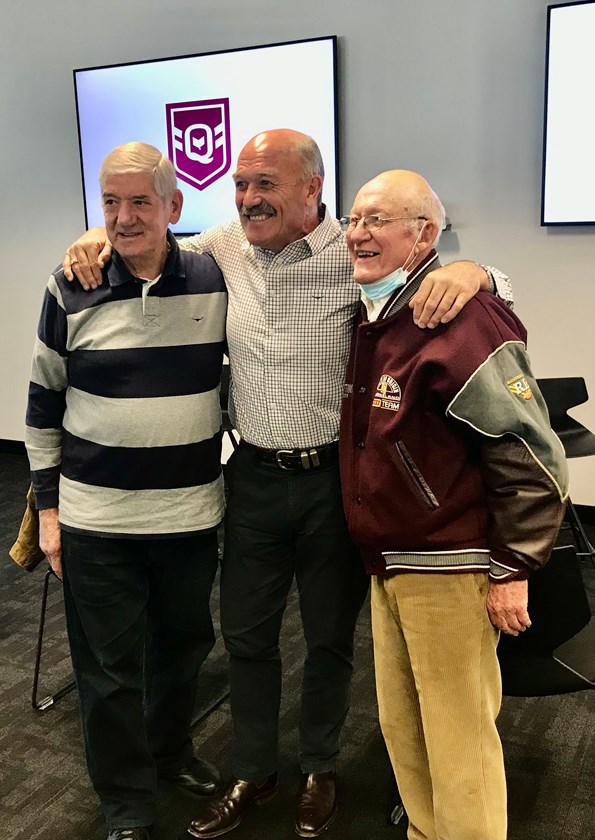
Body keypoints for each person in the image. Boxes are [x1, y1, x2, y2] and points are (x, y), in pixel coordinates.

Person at [63, 129, 512, 840]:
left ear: (311, 189)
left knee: (329, 636)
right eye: (240, 184)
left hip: (336, 480)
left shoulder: (357, 252)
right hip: (252, 478)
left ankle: (317, 767)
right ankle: (252, 770)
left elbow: (451, 281)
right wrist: (95, 233)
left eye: (264, 184)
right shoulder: (222, 246)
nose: (247, 198)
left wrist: (479, 270)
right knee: (246, 636)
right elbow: (142, 234)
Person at [339, 169, 569, 840]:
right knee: (406, 726)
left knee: (456, 735)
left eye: (378, 220)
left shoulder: (461, 317)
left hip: (450, 563)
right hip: (392, 558)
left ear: (424, 235)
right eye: (354, 218)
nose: (357, 233)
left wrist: (514, 568)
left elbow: (529, 453)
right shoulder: (380, 309)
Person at [25, 142, 228, 840]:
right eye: (110, 201)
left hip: (190, 516)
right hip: (96, 520)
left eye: (140, 200)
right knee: (108, 672)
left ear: (174, 206)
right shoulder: (68, 285)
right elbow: (42, 406)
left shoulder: (213, 275)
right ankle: (126, 802)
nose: (123, 216)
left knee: (182, 650)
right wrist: (48, 512)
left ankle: (172, 753)